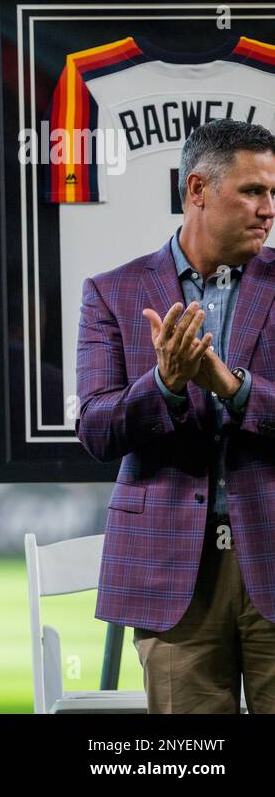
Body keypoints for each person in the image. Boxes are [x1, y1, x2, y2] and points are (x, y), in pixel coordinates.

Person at [76, 117, 275, 713]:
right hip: (169, 575)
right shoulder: (111, 292)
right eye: (252, 191)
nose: (268, 209)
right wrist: (162, 385)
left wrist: (231, 386)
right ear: (197, 191)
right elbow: (96, 429)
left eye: (273, 192)